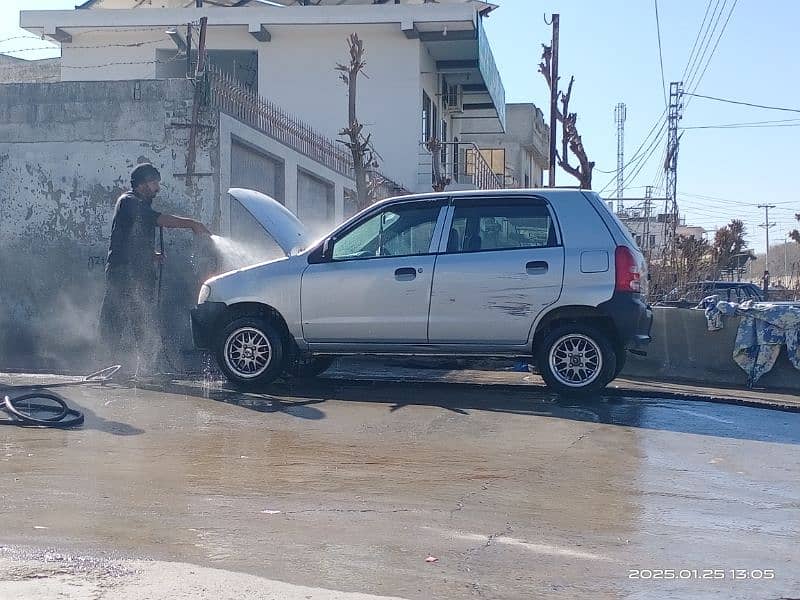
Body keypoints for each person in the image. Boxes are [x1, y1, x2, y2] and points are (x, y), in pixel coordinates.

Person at [98, 163, 210, 374]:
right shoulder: (128, 202)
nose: (157, 188)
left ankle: (147, 370)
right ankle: (105, 367)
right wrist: (192, 224)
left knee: (142, 321)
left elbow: (131, 239)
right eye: (153, 183)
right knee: (115, 321)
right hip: (123, 274)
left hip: (139, 274)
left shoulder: (140, 204)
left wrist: (151, 255)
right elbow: (159, 220)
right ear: (141, 184)